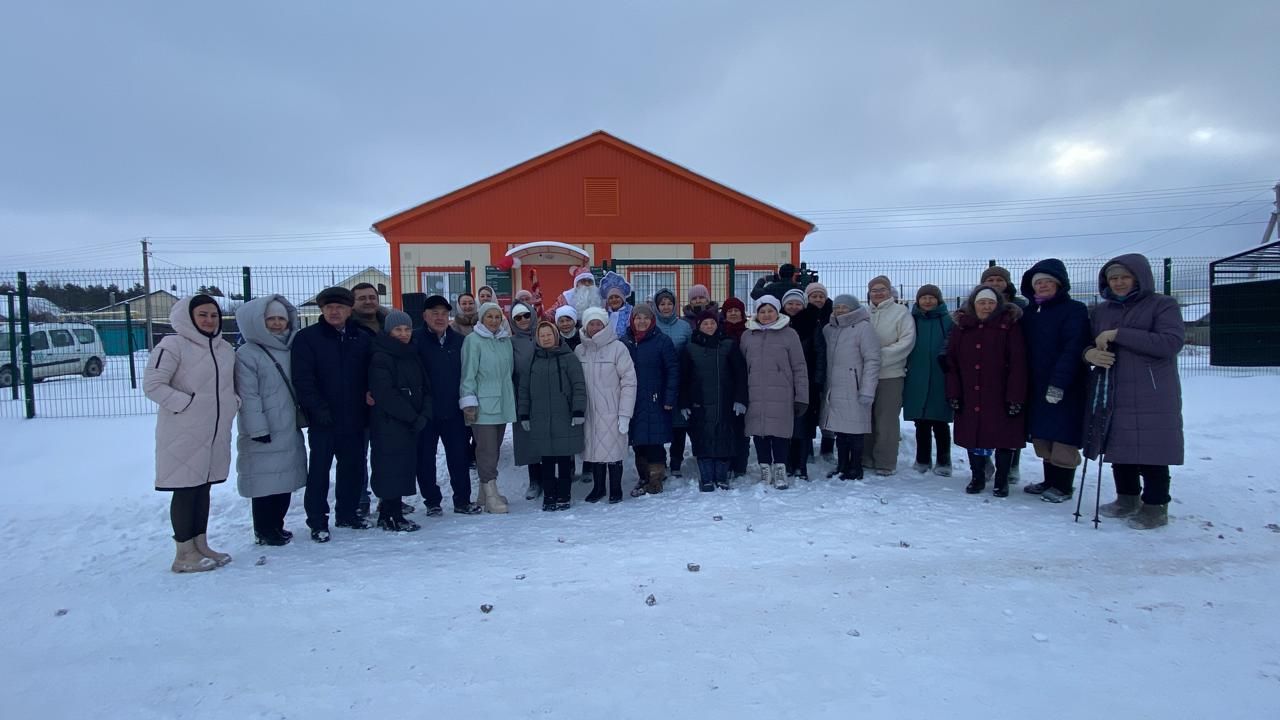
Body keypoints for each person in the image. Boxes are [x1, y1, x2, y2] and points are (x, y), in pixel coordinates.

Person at [1086, 254, 1185, 529]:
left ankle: (1155, 505)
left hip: (1151, 390)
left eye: (1124, 277)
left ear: (1139, 278)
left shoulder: (1162, 305)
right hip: (1112, 386)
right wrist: (1090, 353)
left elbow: (1170, 342)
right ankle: (1126, 497)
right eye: (1113, 278)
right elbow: (1086, 343)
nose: (1118, 283)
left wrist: (1120, 334)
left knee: (1152, 448)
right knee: (1119, 444)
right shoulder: (1101, 310)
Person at [144, 294, 238, 572]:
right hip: (183, 432)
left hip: (215, 432)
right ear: (188, 316)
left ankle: (201, 545)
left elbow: (230, 386)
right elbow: (153, 385)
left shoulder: (224, 349)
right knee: (186, 491)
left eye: (213, 315)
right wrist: (187, 405)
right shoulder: (172, 345)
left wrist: (234, 404)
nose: (209, 320)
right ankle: (184, 553)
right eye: (202, 315)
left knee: (203, 489)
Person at [292, 287, 371, 542]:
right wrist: (318, 409)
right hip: (323, 419)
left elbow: (372, 373)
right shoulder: (308, 338)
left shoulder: (361, 337)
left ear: (349, 310)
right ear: (322, 310)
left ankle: (347, 513)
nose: (334, 312)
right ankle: (317, 520)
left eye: (339, 307)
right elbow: (303, 379)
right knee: (319, 470)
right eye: (329, 308)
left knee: (353, 467)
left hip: (355, 416)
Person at [232, 295, 306, 547]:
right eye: (271, 319)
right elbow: (247, 394)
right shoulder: (248, 353)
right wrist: (257, 428)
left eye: (281, 319)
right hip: (263, 428)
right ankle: (264, 529)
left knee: (283, 479)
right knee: (264, 483)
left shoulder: (290, 347)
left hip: (288, 425)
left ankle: (277, 525)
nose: (276, 324)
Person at [1018, 259, 1090, 503]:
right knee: (1043, 434)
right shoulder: (1029, 314)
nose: (1043, 286)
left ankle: (1063, 486)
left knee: (1063, 436)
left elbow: (1073, 349)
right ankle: (1049, 480)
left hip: (1066, 384)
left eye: (1049, 282)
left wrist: (1059, 382)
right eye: (1039, 282)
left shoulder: (1074, 310)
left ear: (1060, 284)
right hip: (1035, 383)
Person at [945, 287, 1028, 497]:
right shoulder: (962, 327)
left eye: (991, 303)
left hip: (1000, 392)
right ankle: (977, 477)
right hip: (970, 391)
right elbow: (951, 362)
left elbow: (1018, 362)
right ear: (974, 304)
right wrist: (954, 393)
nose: (986, 307)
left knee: (1004, 437)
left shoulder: (1009, 326)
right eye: (982, 303)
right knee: (974, 436)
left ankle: (1002, 481)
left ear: (997, 305)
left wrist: (1015, 396)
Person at [413, 295, 481, 515]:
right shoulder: (415, 341)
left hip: (454, 410)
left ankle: (462, 500)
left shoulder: (460, 341)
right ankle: (432, 500)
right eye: (434, 313)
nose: (440, 318)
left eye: (443, 313)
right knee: (425, 458)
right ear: (425, 316)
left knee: (459, 457)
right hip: (426, 412)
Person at [366, 311, 428, 533]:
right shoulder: (381, 356)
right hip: (389, 422)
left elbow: (425, 385)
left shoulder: (411, 354)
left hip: (409, 422)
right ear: (388, 331)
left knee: (401, 467)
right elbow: (386, 394)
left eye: (407, 329)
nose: (403, 334)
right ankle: (390, 515)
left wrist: (424, 412)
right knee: (389, 467)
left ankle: (392, 513)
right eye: (398, 330)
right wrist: (412, 416)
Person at [739, 295, 808, 489]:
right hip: (754, 392)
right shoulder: (747, 335)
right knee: (759, 432)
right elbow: (741, 366)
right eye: (762, 311)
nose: (766, 315)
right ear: (756, 313)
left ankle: (780, 469)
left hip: (781, 393)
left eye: (770, 311)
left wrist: (801, 396)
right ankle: (765, 469)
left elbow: (799, 367)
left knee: (779, 433)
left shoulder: (789, 335)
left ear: (777, 312)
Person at [519, 321, 588, 510]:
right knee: (547, 459)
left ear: (556, 336)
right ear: (538, 339)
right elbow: (524, 389)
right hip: (540, 417)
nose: (546, 338)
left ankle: (564, 495)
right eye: (542, 336)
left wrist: (578, 410)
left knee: (564, 459)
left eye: (549, 334)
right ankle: (549, 495)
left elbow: (578, 385)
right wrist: (524, 414)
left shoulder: (569, 358)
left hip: (564, 415)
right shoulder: (532, 360)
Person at [680, 310, 748, 491]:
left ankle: (722, 477)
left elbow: (740, 374)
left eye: (712, 323)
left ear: (718, 324)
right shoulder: (690, 348)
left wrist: (740, 399)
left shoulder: (728, 345)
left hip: (725, 403)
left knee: (724, 438)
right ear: (699, 326)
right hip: (699, 404)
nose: (709, 326)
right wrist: (684, 403)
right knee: (703, 440)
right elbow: (683, 378)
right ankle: (707, 478)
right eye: (705, 324)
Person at [576, 307, 638, 503]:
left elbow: (629, 381)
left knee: (613, 452)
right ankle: (599, 487)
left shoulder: (618, 348)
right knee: (594, 451)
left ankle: (616, 489)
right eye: (591, 323)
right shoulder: (580, 350)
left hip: (613, 409)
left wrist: (625, 414)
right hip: (589, 410)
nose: (595, 327)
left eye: (599, 323)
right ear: (585, 326)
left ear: (605, 325)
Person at [460, 302, 516, 513]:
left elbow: (508, 372)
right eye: (489, 317)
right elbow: (468, 374)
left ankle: (484, 494)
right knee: (486, 451)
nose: (493, 320)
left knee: (495, 449)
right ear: (481, 319)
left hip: (502, 404)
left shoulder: (504, 341)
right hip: (482, 405)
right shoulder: (473, 341)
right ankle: (491, 493)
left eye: (497, 316)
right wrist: (468, 401)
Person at [819, 294, 881, 480]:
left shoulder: (864, 328)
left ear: (854, 308)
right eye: (837, 307)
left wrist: (867, 389)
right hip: (833, 386)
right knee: (840, 430)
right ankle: (842, 465)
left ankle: (856, 467)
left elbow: (872, 360)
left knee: (855, 431)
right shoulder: (829, 330)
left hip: (854, 386)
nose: (839, 311)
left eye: (844, 307)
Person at [622, 303, 678, 496]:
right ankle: (643, 476)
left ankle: (656, 478)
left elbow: (672, 370)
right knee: (638, 441)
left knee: (655, 441)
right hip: (632, 400)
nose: (642, 321)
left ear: (652, 320)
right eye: (638, 318)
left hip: (656, 398)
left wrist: (669, 397)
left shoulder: (662, 341)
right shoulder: (625, 342)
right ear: (632, 320)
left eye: (646, 317)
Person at [864, 275, 916, 475]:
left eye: (882, 289)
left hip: (890, 374)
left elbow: (906, 342)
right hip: (866, 376)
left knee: (886, 420)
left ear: (889, 291)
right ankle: (866, 457)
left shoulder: (901, 313)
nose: (878, 293)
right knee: (866, 418)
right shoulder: (864, 313)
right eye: (874, 290)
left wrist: (877, 358)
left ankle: (885, 461)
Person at [980, 265, 1028, 480]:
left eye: (999, 280)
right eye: (990, 280)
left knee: (1010, 420)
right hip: (981, 372)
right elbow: (958, 332)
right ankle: (984, 461)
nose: (995, 284)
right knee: (982, 419)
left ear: (1007, 283)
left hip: (1010, 371)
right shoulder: (972, 306)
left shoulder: (1020, 308)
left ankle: (1011, 464)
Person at [902, 284, 955, 477]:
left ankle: (944, 460)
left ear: (938, 300)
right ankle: (922, 458)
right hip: (917, 374)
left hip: (940, 376)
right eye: (923, 298)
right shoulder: (911, 320)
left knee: (940, 421)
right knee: (921, 421)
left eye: (931, 298)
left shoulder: (948, 321)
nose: (927, 301)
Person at [653, 288, 692, 478]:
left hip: (680, 380)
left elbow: (690, 352)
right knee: (659, 422)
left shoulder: (684, 327)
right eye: (662, 304)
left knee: (679, 424)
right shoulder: (652, 326)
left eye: (669, 303)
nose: (666, 307)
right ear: (656, 306)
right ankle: (660, 461)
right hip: (658, 381)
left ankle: (676, 461)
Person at [508, 302, 542, 500]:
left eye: (526, 316)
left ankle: (550, 478)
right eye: (518, 318)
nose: (523, 320)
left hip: (546, 394)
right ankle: (534, 480)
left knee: (547, 437)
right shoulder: (510, 342)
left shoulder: (544, 333)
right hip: (523, 395)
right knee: (528, 438)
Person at [804, 282, 837, 463]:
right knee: (809, 409)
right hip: (810, 367)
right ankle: (806, 446)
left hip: (831, 365)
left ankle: (827, 447)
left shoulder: (833, 315)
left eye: (821, 296)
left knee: (828, 407)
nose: (818, 299)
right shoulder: (804, 314)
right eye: (814, 296)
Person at [719, 296, 751, 478]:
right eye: (729, 311)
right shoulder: (719, 331)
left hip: (745, 384)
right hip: (724, 385)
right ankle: (727, 462)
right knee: (727, 426)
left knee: (742, 427)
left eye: (736, 311)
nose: (732, 313)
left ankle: (740, 465)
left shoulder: (749, 332)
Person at [600, 271, 633, 338]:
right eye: (611, 298)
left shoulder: (630, 312)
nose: (614, 300)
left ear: (622, 299)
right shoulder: (603, 312)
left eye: (617, 297)